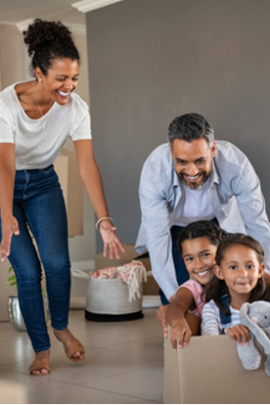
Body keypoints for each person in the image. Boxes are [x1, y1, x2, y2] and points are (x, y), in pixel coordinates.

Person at [0, 19, 124, 375]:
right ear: (39, 72)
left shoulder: (76, 109)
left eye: (74, 79)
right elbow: (5, 165)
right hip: (3, 186)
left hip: (42, 184)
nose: (69, 86)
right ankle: (41, 349)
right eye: (61, 79)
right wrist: (5, 214)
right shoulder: (6, 105)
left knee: (56, 263)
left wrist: (104, 220)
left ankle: (61, 327)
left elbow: (87, 164)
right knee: (27, 271)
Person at [135, 112, 270, 327]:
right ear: (171, 152)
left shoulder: (236, 164)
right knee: (187, 298)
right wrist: (174, 301)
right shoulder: (155, 170)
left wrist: (265, 278)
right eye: (182, 162)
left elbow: (258, 225)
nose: (191, 171)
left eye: (200, 161)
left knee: (233, 281)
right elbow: (158, 240)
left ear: (213, 149)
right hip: (176, 229)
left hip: (220, 224)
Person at [166, 220, 227, 350]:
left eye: (205, 255)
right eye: (190, 259)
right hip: (210, 347)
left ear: (223, 251)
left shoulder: (235, 278)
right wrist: (178, 323)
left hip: (242, 337)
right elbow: (177, 304)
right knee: (189, 318)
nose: (198, 265)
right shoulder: (193, 288)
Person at [201, 234, 270, 344]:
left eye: (249, 266)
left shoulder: (268, 307)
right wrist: (227, 333)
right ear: (220, 272)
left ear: (260, 271)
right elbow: (209, 345)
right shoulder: (212, 310)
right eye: (233, 267)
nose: (242, 274)